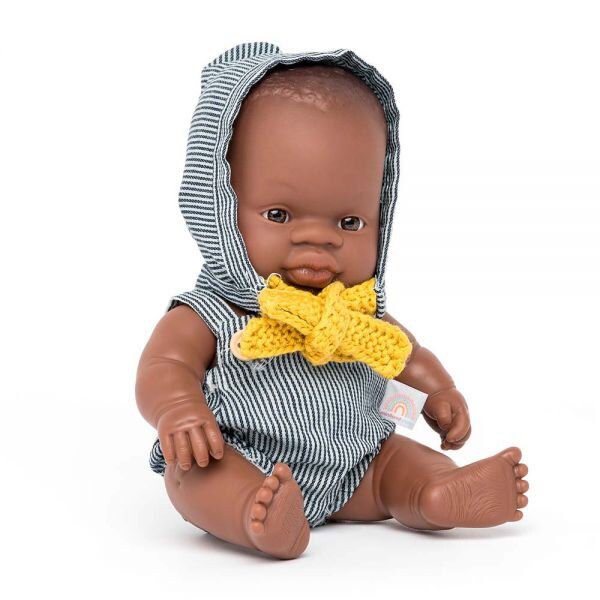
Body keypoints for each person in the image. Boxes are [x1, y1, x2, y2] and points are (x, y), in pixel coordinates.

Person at [136, 42, 529, 560]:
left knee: (397, 461)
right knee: (196, 474)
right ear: (218, 208)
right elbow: (163, 366)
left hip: (358, 465)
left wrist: (438, 391)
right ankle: (256, 514)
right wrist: (179, 410)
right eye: (279, 215)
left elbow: (405, 355)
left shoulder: (361, 318)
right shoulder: (211, 313)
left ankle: (434, 493)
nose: (319, 239)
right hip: (242, 456)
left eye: (349, 222)